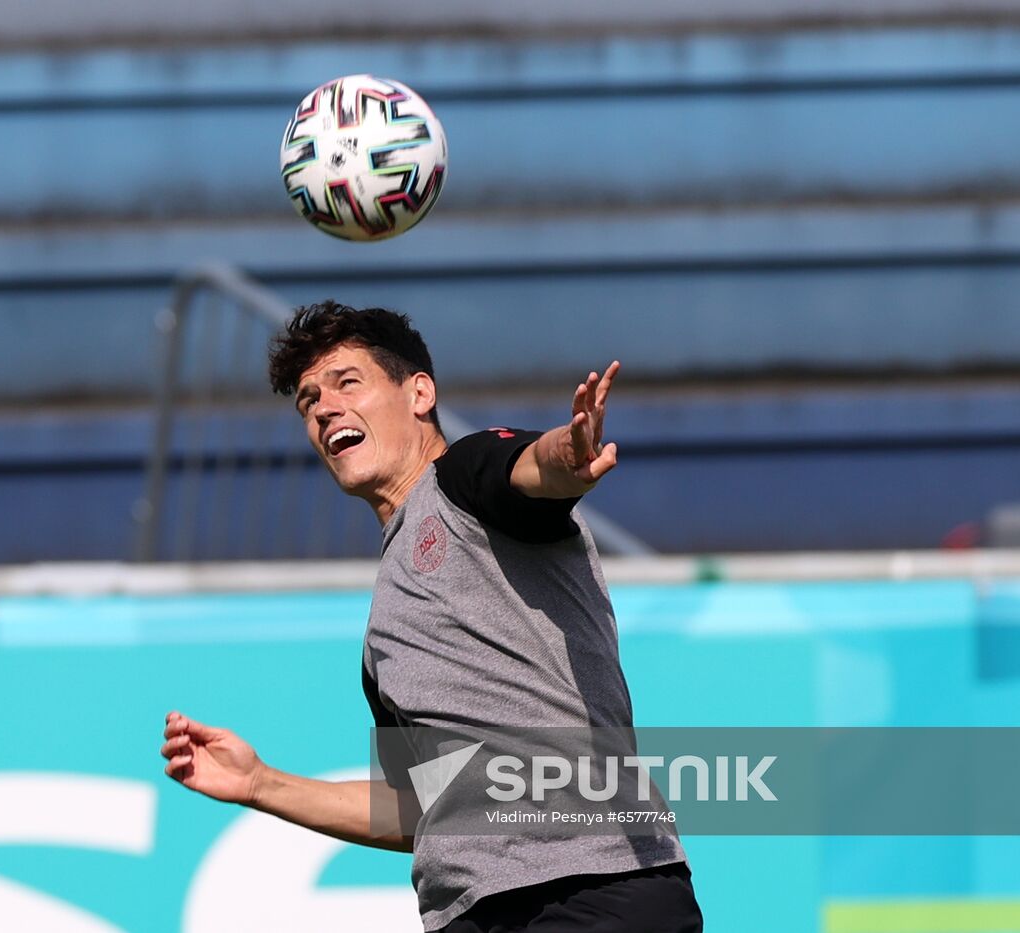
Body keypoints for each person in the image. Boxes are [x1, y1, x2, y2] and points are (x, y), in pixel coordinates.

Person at [161, 302, 702, 932]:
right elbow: (422, 808)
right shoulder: (380, 634)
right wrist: (262, 784)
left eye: (347, 382)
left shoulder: (462, 481)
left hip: (588, 889)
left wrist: (566, 456)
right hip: (470, 914)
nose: (324, 408)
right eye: (308, 401)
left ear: (419, 392)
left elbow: (530, 470)